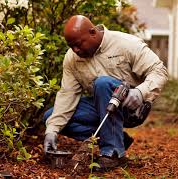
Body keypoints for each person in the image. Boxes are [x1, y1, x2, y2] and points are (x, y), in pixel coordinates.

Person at [43, 15, 168, 172]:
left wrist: (140, 92)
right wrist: (52, 131)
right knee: (50, 118)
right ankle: (117, 139)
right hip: (101, 106)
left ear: (92, 32)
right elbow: (67, 95)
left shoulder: (126, 43)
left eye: (78, 44)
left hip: (132, 107)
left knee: (102, 84)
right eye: (71, 46)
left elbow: (159, 71)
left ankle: (113, 153)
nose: (75, 50)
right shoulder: (72, 58)